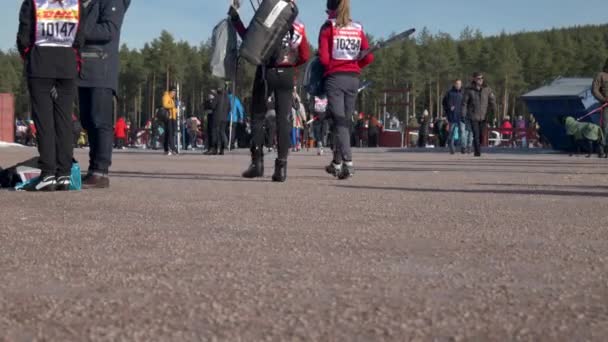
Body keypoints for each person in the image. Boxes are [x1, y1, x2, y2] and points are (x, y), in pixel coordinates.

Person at [230, 1, 310, 182]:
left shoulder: (266, 17)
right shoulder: (298, 25)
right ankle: (281, 168)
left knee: (258, 116)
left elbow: (249, 40)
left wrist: (235, 18)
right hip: (287, 73)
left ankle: (257, 163)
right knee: (284, 120)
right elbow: (304, 55)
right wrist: (290, 66)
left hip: (267, 72)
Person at [17, 0, 85, 191]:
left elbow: (23, 36)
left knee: (44, 121)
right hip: (67, 65)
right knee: (64, 120)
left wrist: (29, 55)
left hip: (40, 62)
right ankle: (64, 173)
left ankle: (48, 173)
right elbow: (80, 39)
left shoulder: (33, 2)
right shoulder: (76, 4)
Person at [78, 0, 130, 189]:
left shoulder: (111, 2)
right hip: (82, 70)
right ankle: (93, 169)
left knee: (100, 122)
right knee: (88, 121)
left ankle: (101, 171)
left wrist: (76, 30)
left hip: (102, 71)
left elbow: (108, 30)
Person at [319, 0, 374, 179]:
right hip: (353, 80)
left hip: (335, 79)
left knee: (339, 121)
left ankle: (348, 163)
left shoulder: (328, 27)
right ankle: (336, 163)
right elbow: (369, 57)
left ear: (331, 9)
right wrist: (354, 61)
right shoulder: (357, 27)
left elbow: (325, 60)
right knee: (343, 122)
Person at [461, 72, 497, 157]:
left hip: (484, 116)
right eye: (478, 78)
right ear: (474, 79)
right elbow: (464, 103)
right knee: (476, 134)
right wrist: (463, 114)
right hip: (473, 115)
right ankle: (477, 152)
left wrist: (494, 113)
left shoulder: (487, 89)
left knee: (481, 135)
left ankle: (477, 147)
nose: (480, 80)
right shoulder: (469, 90)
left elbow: (492, 101)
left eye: (481, 78)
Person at [206, 87, 230, 155]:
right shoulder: (227, 99)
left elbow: (212, 106)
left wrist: (210, 100)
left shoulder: (217, 97)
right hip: (224, 118)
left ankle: (215, 149)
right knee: (222, 132)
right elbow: (229, 108)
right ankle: (222, 150)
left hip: (216, 117)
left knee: (215, 133)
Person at [592, 57, 608, 157]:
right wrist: (603, 99)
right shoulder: (601, 75)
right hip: (606, 106)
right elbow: (594, 90)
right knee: (605, 128)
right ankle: (602, 150)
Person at [443, 79, 463, 154]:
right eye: (457, 84)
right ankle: (451, 147)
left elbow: (466, 104)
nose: (458, 85)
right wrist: (449, 107)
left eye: (460, 84)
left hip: (461, 116)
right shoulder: (449, 93)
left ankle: (462, 147)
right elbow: (444, 103)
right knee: (451, 132)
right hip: (452, 116)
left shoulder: (463, 93)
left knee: (462, 132)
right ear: (454, 84)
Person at [162, 87, 178, 155]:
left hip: (172, 117)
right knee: (170, 133)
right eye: (173, 92)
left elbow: (172, 108)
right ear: (170, 91)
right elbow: (165, 105)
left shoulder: (171, 98)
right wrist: (173, 105)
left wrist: (176, 110)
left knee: (168, 133)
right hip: (169, 117)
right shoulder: (166, 96)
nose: (174, 93)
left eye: (175, 92)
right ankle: (172, 148)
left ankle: (166, 148)